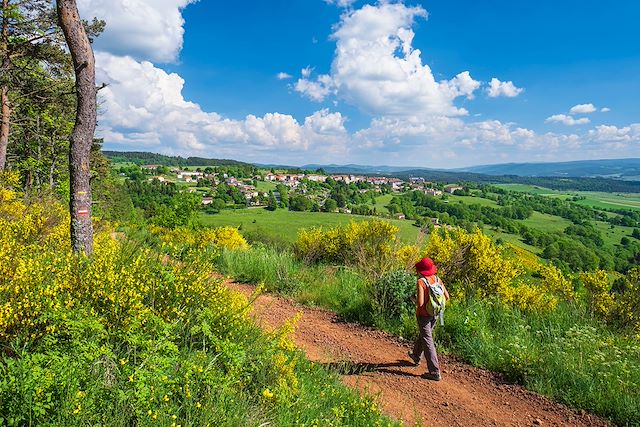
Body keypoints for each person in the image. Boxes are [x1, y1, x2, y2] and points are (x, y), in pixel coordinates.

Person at [408, 257, 449, 381]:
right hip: (436, 314)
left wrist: (413, 299)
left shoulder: (421, 282)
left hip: (423, 316)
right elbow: (446, 297)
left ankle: (434, 371)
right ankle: (416, 355)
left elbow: (420, 303)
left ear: (420, 270)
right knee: (425, 335)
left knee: (427, 340)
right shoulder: (437, 279)